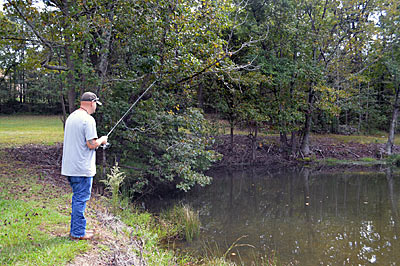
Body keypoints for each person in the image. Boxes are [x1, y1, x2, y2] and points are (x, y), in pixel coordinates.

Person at [61, 92, 108, 240]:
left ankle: (78, 230)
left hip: (70, 167)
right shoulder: (88, 120)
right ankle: (78, 233)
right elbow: (91, 144)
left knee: (78, 198)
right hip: (81, 168)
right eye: (95, 104)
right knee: (80, 199)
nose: (96, 107)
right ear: (91, 102)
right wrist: (102, 140)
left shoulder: (72, 117)